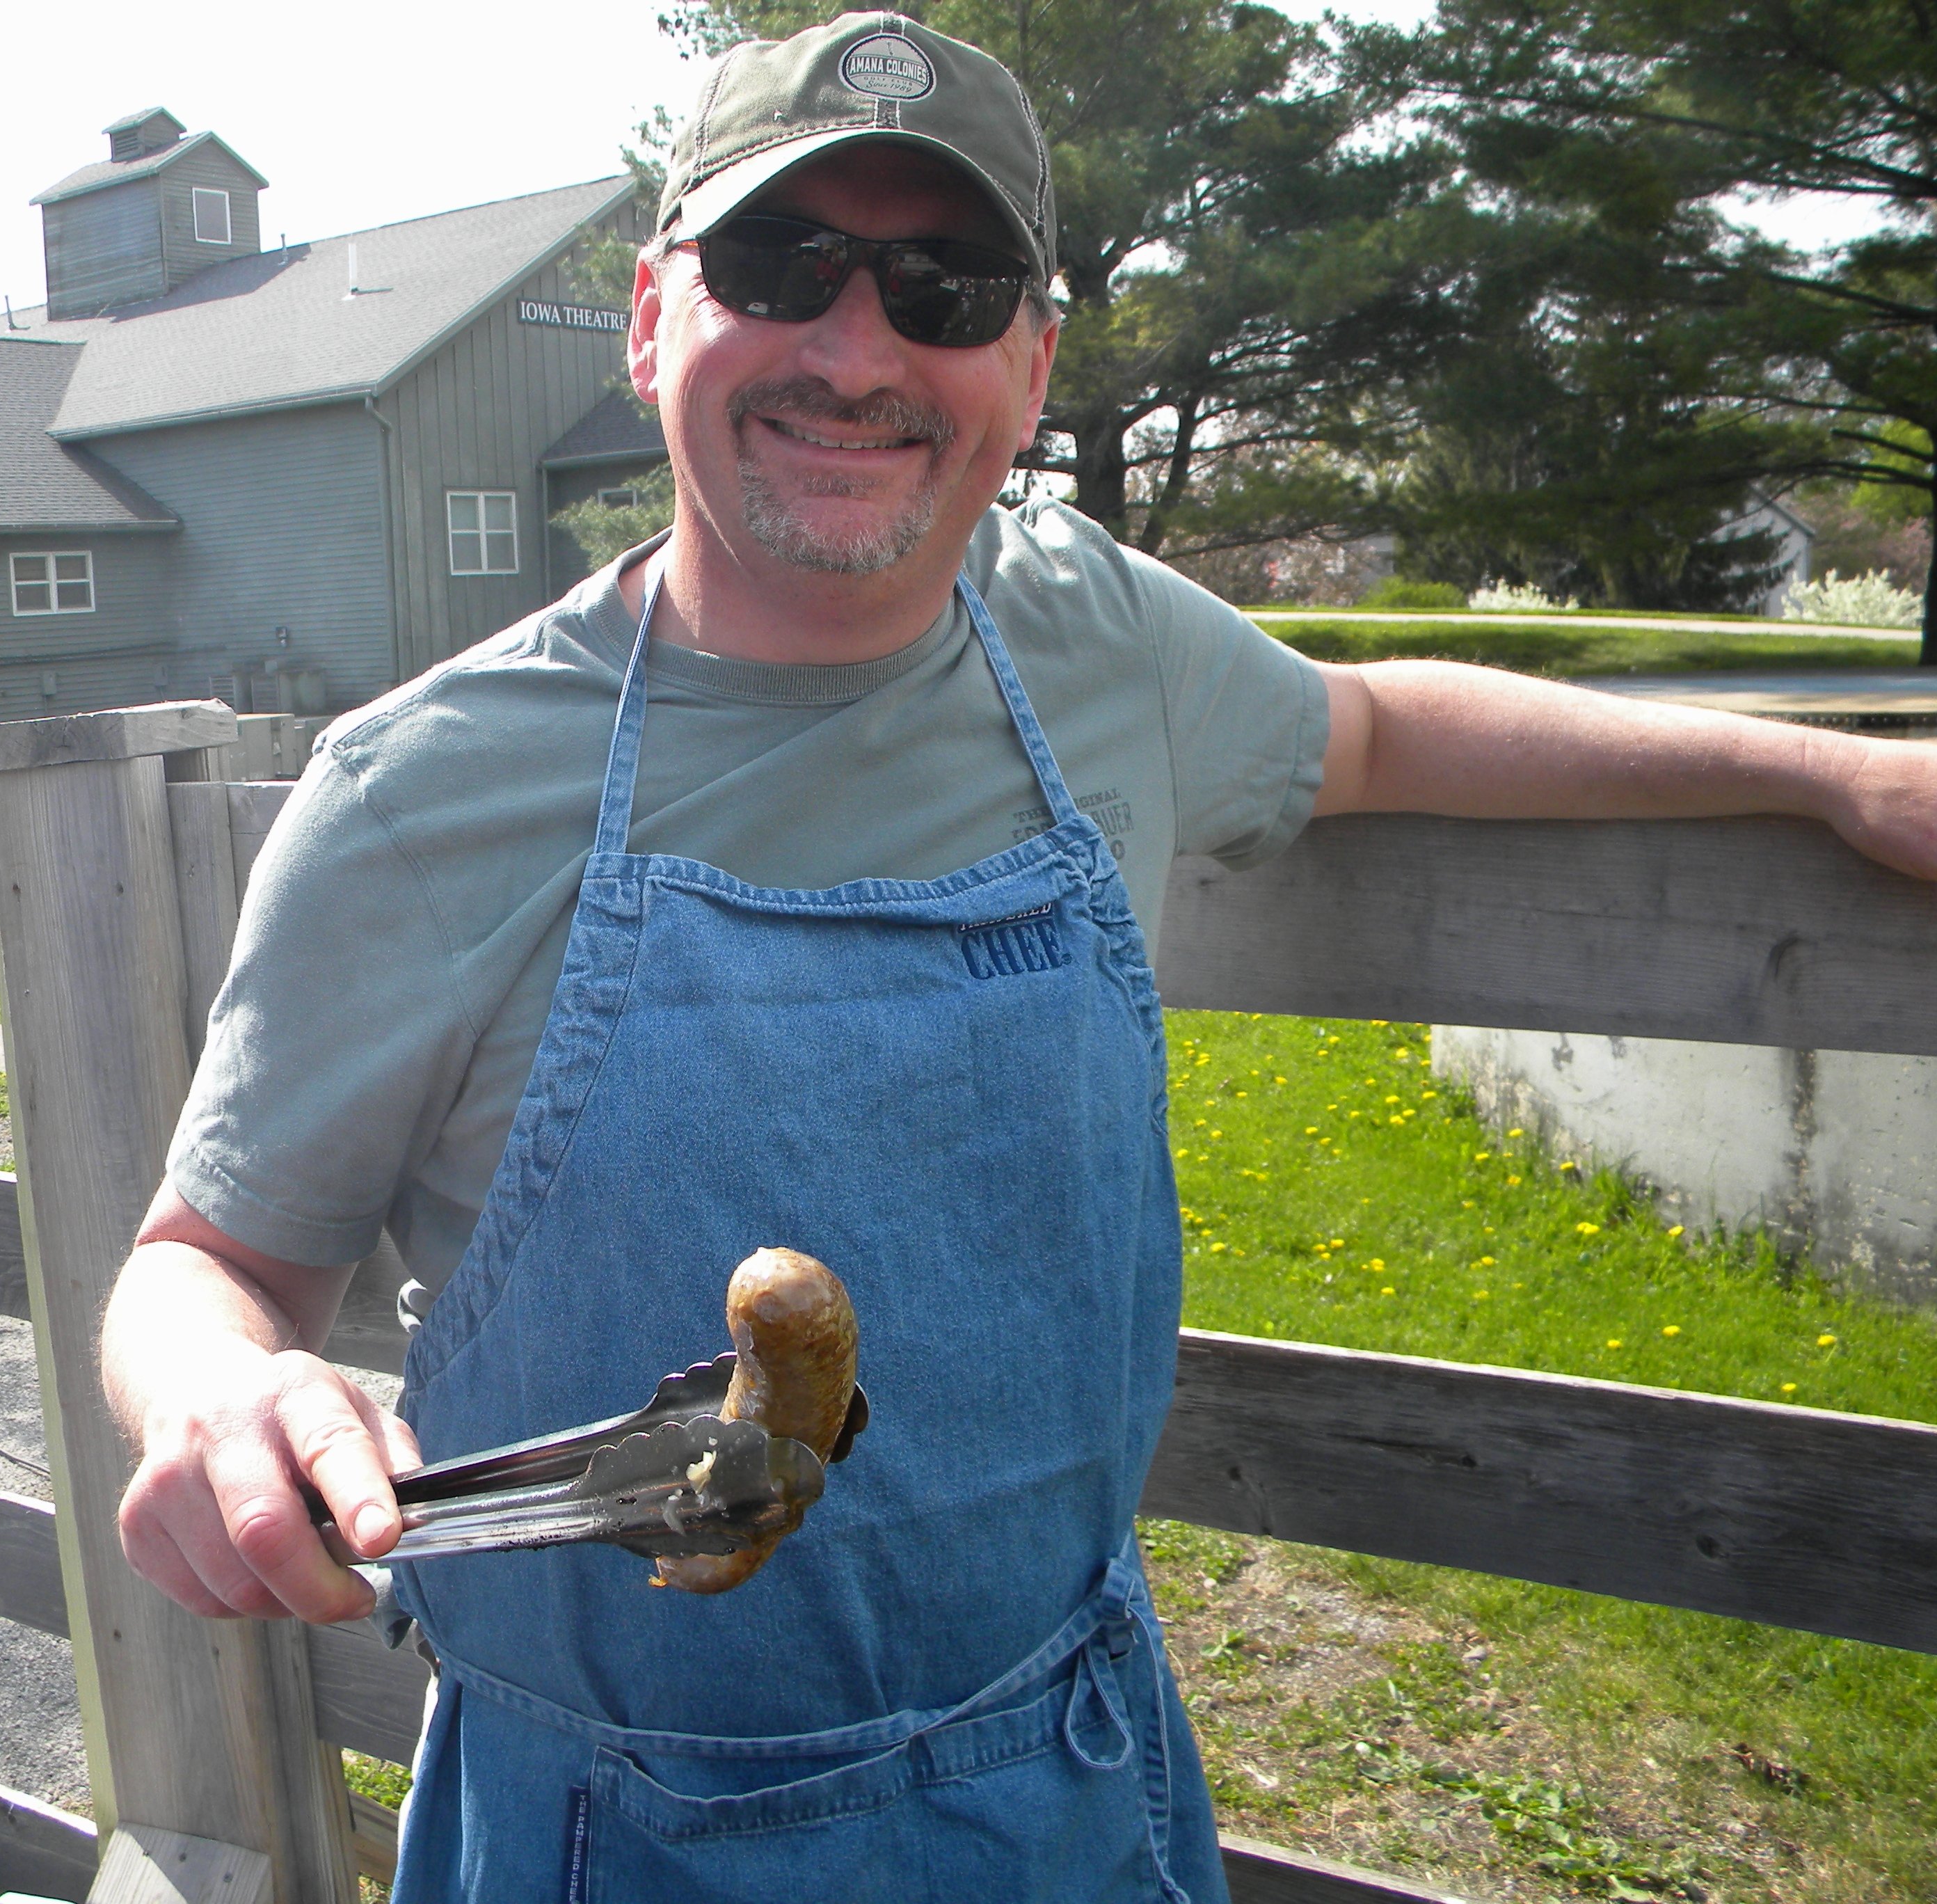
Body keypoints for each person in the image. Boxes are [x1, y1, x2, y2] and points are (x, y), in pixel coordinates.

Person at [99, 13, 1937, 1900]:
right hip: (611, 1839)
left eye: (945, 285)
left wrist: (1827, 773)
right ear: (656, 319)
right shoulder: (420, 793)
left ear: (1031, 361)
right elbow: (205, 1263)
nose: (854, 346)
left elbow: (1376, 727)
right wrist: (220, 1394)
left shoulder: (1094, 636)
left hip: (1067, 1785)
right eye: (779, 263)